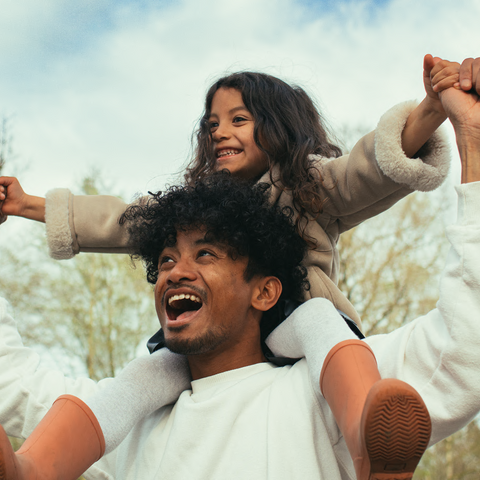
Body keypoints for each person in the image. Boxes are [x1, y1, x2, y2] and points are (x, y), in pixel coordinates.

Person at [0, 57, 467, 479]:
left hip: (297, 325)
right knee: (140, 379)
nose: (219, 132)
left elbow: (373, 167)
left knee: (319, 319)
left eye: (238, 120)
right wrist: (27, 204)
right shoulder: (195, 209)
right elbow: (123, 221)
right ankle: (33, 468)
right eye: (212, 125)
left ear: (279, 127)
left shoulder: (311, 184)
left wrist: (434, 107)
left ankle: (369, 434)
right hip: (210, 347)